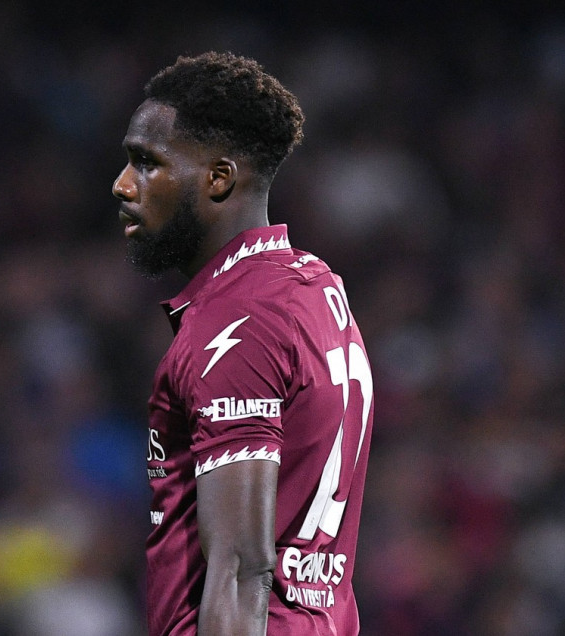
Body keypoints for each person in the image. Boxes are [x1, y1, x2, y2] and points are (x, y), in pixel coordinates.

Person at [113, 52, 373, 635]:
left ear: (219, 177)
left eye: (146, 162)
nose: (123, 184)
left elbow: (241, 571)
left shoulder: (237, 324)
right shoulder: (313, 286)